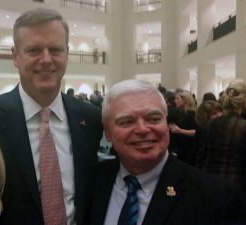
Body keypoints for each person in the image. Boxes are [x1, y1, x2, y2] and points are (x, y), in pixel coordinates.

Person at [0, 7, 103, 225]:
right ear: (15, 56)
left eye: (55, 50)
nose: (46, 59)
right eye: (34, 50)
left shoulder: (91, 119)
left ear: (67, 54)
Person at [89, 79, 246, 225]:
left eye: (154, 119)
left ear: (166, 123)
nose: (143, 129)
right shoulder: (93, 181)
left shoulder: (217, 197)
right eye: (127, 121)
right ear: (107, 132)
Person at [199, 79, 246, 191]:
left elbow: (202, 156)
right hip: (237, 186)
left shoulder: (212, 123)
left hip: (212, 184)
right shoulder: (243, 126)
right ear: (244, 102)